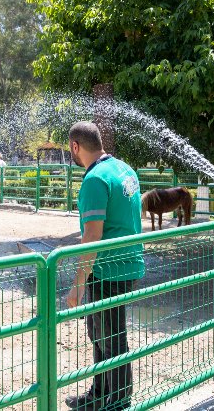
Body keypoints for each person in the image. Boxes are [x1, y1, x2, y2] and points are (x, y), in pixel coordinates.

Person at [64, 121, 145, 411]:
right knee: (100, 332)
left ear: (76, 146)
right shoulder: (125, 169)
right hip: (128, 263)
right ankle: (100, 394)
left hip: (108, 270)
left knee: (111, 338)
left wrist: (77, 286)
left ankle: (119, 401)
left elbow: (92, 237)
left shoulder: (95, 179)